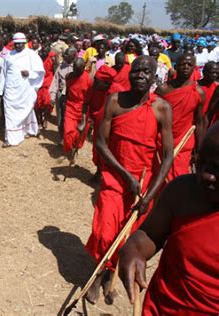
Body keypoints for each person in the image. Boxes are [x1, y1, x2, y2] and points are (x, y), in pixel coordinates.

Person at [84, 56, 174, 304]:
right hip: (115, 176)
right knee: (104, 231)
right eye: (137, 71)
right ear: (129, 73)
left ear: (155, 77)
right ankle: (97, 274)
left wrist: (151, 194)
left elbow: (167, 157)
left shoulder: (162, 109)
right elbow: (101, 144)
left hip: (143, 184)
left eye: (147, 72)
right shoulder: (114, 101)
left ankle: (108, 278)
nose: (141, 76)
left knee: (126, 236)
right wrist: (124, 175)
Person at [119, 123, 219, 315]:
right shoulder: (182, 192)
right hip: (161, 308)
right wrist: (133, 249)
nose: (207, 176)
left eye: (218, 169)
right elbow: (149, 234)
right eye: (201, 163)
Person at [155, 54, 205, 182]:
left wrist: (199, 149)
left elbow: (199, 122)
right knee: (158, 175)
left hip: (183, 141)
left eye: (190, 65)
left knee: (178, 177)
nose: (186, 67)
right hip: (162, 140)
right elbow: (153, 117)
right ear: (176, 66)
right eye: (183, 64)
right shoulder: (163, 89)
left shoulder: (197, 92)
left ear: (194, 68)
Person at [0, 32, 45, 147]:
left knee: (25, 110)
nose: (18, 46)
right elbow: (3, 73)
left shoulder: (31, 55)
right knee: (9, 113)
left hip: (24, 90)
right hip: (10, 90)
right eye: (16, 44)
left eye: (20, 44)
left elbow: (40, 72)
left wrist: (29, 73)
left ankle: (27, 130)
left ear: (24, 43)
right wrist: (0, 90)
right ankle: (10, 138)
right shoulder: (8, 55)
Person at [63, 58, 93, 158]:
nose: (75, 71)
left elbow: (90, 98)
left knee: (81, 133)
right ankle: (70, 148)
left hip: (83, 108)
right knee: (68, 132)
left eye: (78, 69)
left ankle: (76, 148)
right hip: (70, 106)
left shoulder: (89, 80)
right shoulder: (69, 76)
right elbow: (67, 91)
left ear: (83, 68)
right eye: (74, 68)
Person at [49, 46, 77, 143]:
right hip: (61, 95)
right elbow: (55, 82)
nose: (65, 57)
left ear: (74, 56)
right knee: (60, 117)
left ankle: (71, 138)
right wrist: (52, 97)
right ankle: (62, 138)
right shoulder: (61, 67)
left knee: (70, 119)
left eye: (67, 56)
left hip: (73, 96)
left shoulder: (78, 66)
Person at [35, 46, 57, 130]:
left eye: (45, 52)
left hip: (48, 82)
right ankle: (39, 120)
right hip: (39, 82)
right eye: (42, 52)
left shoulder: (52, 59)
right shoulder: (36, 59)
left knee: (47, 102)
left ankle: (46, 119)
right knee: (38, 103)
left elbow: (55, 71)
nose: (43, 53)